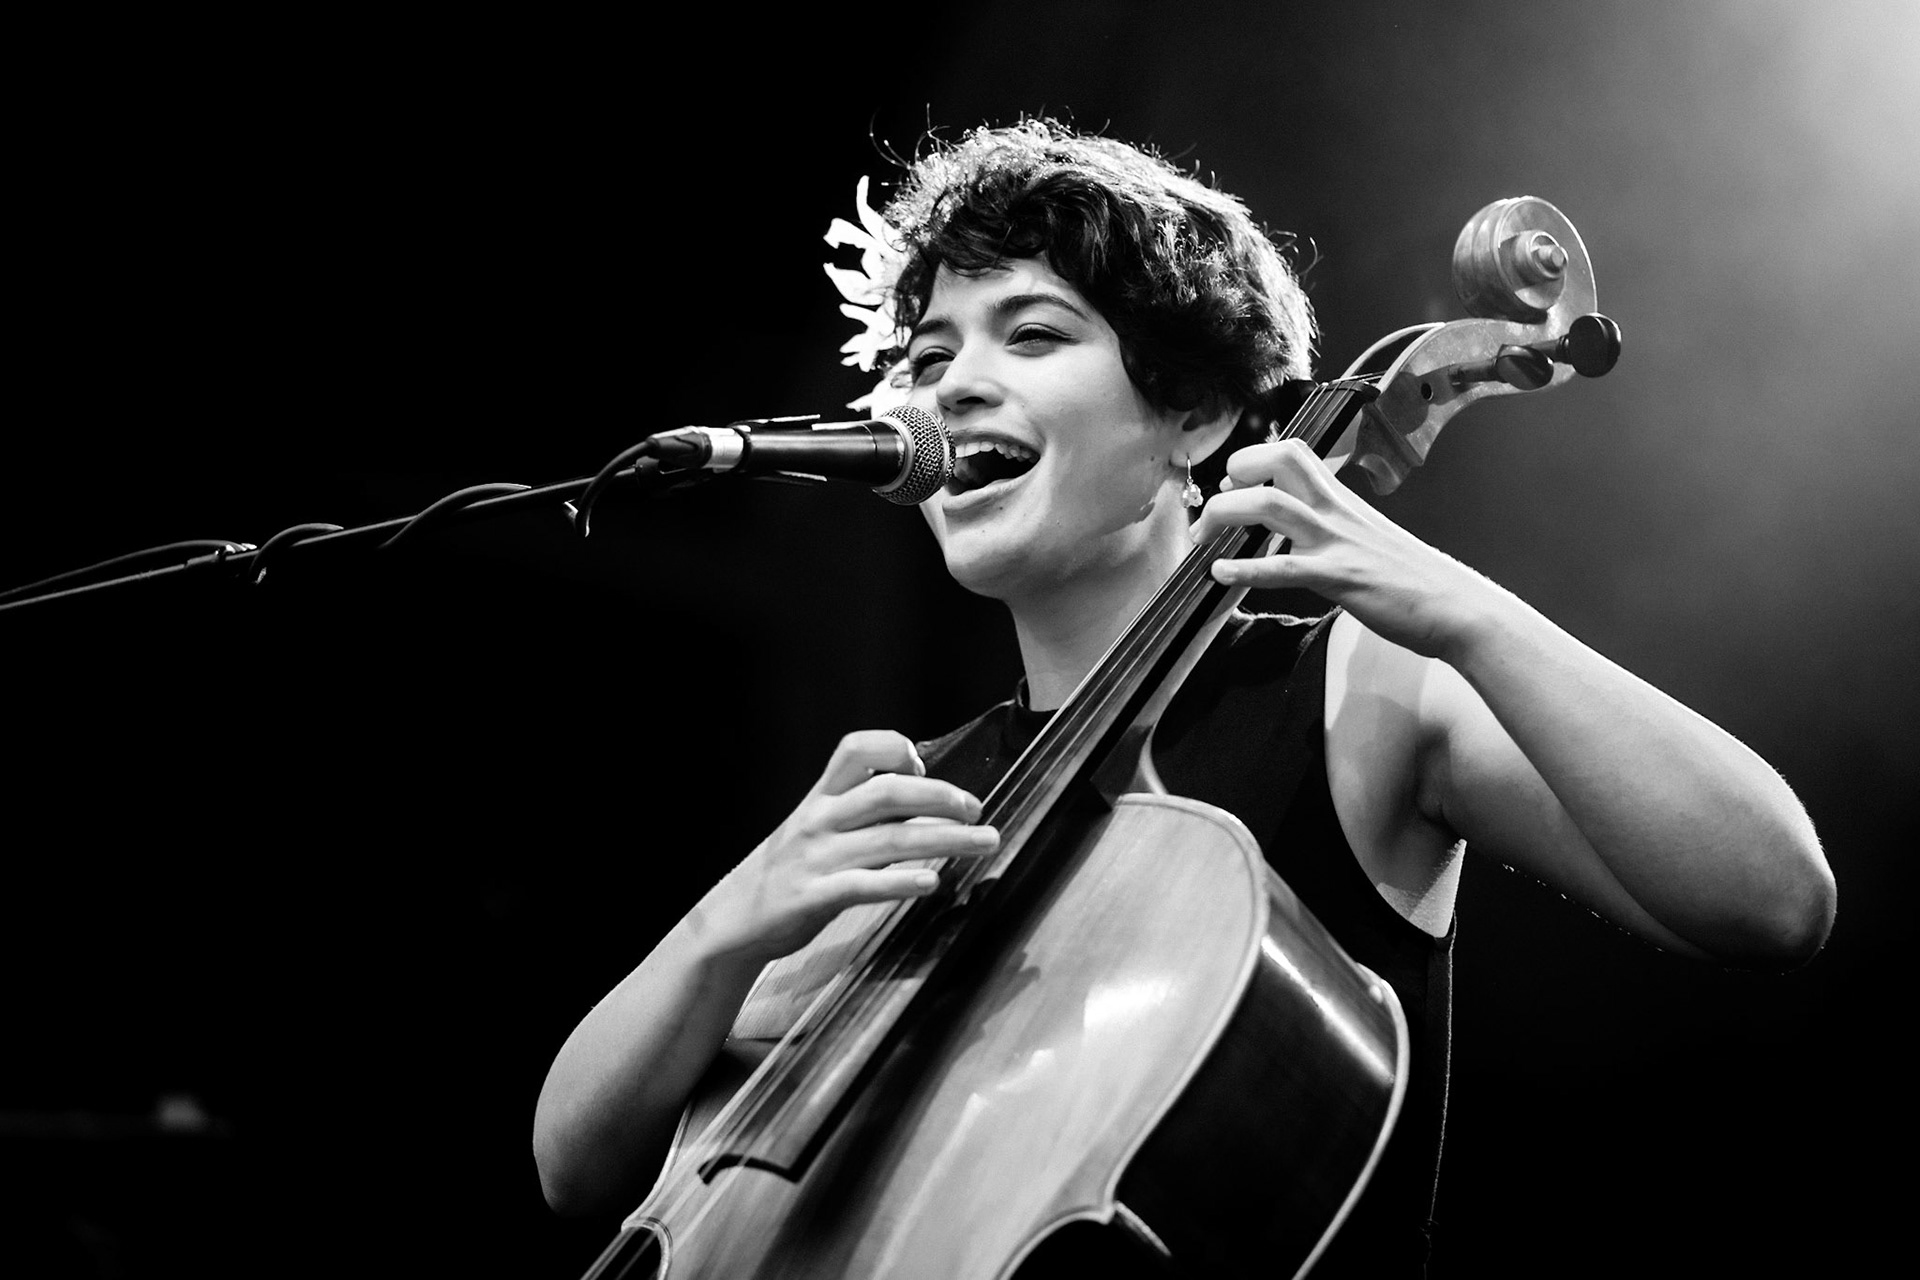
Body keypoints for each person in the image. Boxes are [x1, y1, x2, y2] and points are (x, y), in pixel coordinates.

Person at [533, 119, 1834, 1275]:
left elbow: (1770, 894)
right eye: (929, 357)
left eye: (1032, 335)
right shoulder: (912, 792)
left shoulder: (1348, 691)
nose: (952, 387)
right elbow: (577, 1166)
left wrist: (1453, 604)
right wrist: (734, 923)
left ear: (1198, 413)